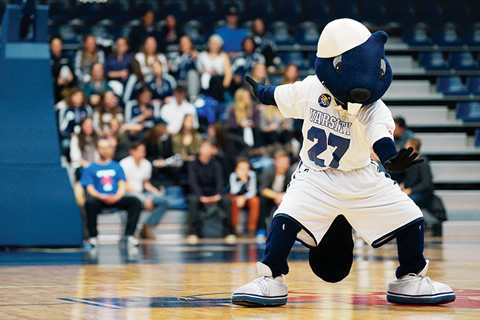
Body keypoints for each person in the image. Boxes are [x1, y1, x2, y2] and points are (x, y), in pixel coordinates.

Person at [233, 18, 454, 307]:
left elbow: (380, 138)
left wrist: (390, 158)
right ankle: (270, 278)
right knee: (283, 218)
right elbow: (278, 95)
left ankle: (410, 277)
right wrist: (260, 91)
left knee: (411, 217)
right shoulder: (311, 88)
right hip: (316, 175)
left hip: (361, 175)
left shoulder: (375, 107)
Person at [81, 138, 142, 247]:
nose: (105, 151)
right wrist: (102, 196)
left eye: (107, 148)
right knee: (89, 203)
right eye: (102, 148)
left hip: (115, 197)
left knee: (135, 201)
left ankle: (129, 235)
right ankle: (93, 236)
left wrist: (117, 197)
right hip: (99, 199)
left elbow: (122, 185)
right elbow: (90, 189)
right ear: (97, 149)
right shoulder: (90, 168)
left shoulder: (117, 167)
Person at [186, 139, 234, 243]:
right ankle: (193, 232)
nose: (207, 150)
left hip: (213, 192)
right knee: (193, 201)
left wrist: (217, 195)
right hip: (198, 193)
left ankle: (228, 231)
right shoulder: (193, 165)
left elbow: (220, 181)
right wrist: (201, 197)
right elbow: (193, 183)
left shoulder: (217, 164)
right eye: (205, 147)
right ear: (200, 150)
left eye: (209, 148)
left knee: (226, 200)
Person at [120, 142, 170, 240]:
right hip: (127, 193)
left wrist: (154, 191)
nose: (142, 153)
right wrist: (143, 198)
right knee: (136, 201)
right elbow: (124, 184)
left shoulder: (146, 164)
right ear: (132, 151)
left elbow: (145, 183)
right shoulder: (124, 163)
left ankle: (148, 226)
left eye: (143, 151)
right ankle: (131, 231)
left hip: (141, 192)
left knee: (164, 201)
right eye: (139, 151)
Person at [256, 150, 292, 242]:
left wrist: (283, 196)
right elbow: (263, 189)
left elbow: (292, 189)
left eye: (286, 162)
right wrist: (276, 196)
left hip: (284, 196)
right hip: (270, 196)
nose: (284, 165)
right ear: (276, 162)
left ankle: (290, 231)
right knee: (262, 202)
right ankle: (261, 229)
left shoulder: (290, 172)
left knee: (292, 204)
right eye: (281, 162)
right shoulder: (268, 171)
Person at [228, 157, 260, 237]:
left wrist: (244, 197)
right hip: (236, 196)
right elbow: (233, 191)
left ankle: (251, 229)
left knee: (255, 201)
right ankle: (235, 229)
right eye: (241, 168)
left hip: (247, 197)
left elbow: (252, 191)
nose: (244, 171)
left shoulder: (252, 174)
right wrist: (242, 181)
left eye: (246, 168)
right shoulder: (233, 175)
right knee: (234, 200)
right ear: (236, 169)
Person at [197, 34, 232, 102]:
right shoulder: (202, 55)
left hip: (219, 81)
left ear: (220, 45)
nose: (213, 45)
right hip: (205, 79)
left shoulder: (224, 56)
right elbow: (199, 69)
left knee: (216, 80)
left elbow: (228, 73)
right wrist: (206, 72)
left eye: (216, 44)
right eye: (212, 43)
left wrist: (224, 86)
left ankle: (218, 99)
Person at [58, 88, 92, 155]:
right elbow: (62, 126)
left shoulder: (87, 108)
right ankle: (65, 158)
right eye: (76, 95)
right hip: (69, 135)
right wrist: (70, 134)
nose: (79, 98)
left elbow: (90, 123)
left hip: (84, 135)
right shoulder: (65, 109)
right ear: (71, 97)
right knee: (65, 144)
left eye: (81, 96)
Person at [168, 35, 200, 101]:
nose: (183, 45)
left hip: (190, 82)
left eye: (185, 43)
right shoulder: (176, 56)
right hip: (178, 82)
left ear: (190, 44)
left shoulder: (197, 55)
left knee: (192, 73)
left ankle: (193, 98)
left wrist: (195, 59)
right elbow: (173, 69)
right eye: (181, 43)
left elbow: (200, 69)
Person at [50, 36, 75, 102]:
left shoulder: (67, 59)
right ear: (51, 46)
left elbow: (72, 76)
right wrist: (57, 82)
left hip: (66, 87)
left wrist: (70, 80)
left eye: (58, 45)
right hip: (52, 88)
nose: (57, 47)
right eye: (54, 45)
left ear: (62, 46)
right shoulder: (47, 60)